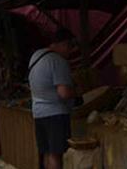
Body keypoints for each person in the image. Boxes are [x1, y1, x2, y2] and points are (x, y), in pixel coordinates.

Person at [28, 29, 79, 169]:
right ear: (63, 44)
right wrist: (77, 92)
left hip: (38, 112)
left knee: (45, 152)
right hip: (55, 114)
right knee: (56, 154)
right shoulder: (58, 61)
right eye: (69, 47)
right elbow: (63, 93)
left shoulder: (36, 56)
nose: (70, 52)